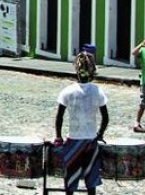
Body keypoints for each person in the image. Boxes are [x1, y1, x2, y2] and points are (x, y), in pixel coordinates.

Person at [54, 53, 109, 195]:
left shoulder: (67, 91)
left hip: (73, 141)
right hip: (91, 141)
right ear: (91, 71)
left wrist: (58, 137)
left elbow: (59, 117)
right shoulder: (97, 91)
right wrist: (100, 134)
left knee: (71, 179)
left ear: (76, 71)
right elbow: (106, 117)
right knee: (91, 181)